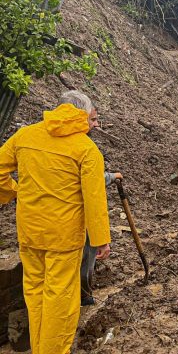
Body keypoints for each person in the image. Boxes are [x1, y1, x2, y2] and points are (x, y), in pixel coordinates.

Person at [0, 91, 111, 354]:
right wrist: (100, 240)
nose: (95, 124)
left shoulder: (25, 136)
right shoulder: (86, 149)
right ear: (81, 115)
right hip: (63, 239)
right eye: (93, 119)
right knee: (60, 301)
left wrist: (14, 191)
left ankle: (39, 348)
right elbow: (94, 199)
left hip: (29, 234)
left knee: (36, 294)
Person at [80, 170, 122, 306]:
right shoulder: (83, 150)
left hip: (43, 218)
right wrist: (112, 176)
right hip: (77, 216)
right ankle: (84, 296)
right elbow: (92, 178)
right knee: (86, 258)